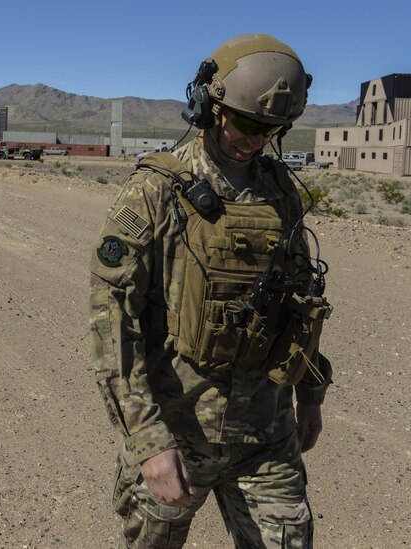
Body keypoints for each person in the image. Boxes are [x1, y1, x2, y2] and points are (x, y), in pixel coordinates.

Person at [89, 34, 333, 548]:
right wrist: (148, 440)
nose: (256, 140)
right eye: (246, 123)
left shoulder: (281, 191)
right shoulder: (155, 190)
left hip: (266, 434)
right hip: (179, 431)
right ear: (208, 105)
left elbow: (300, 300)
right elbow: (114, 327)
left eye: (271, 130)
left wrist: (311, 392)